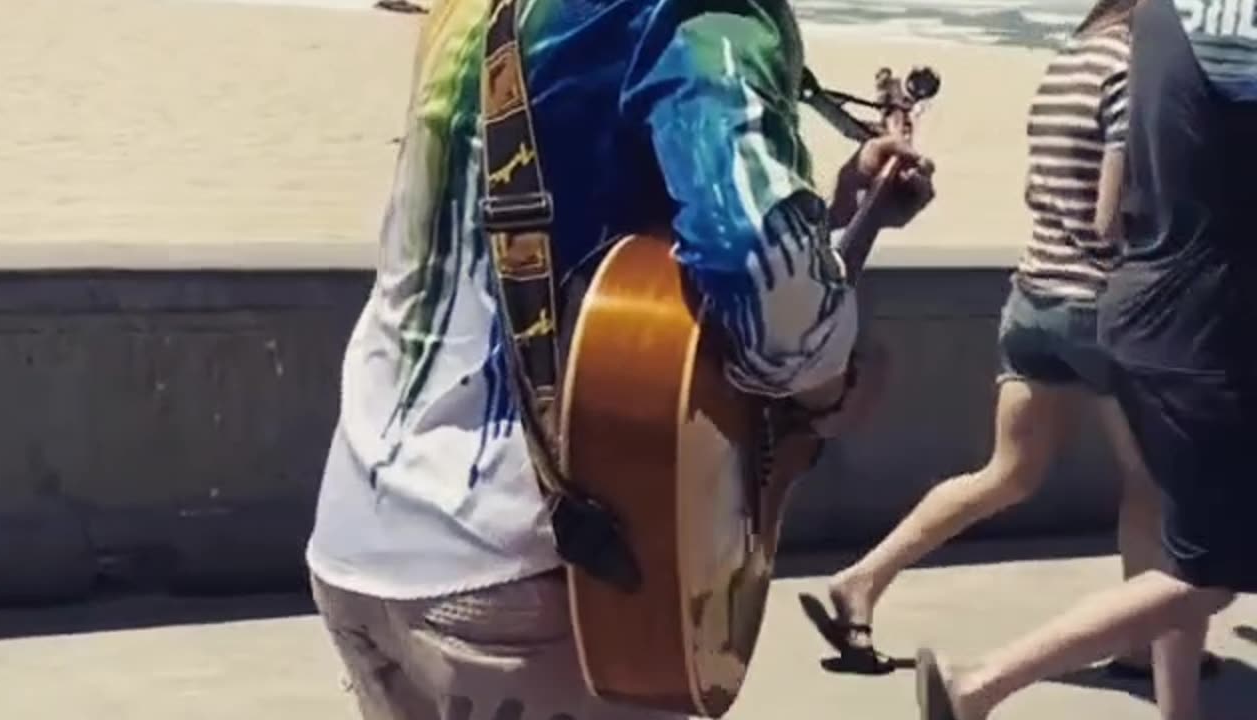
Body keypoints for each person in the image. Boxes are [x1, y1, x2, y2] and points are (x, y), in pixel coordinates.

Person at [301, 0, 936, 717]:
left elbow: (549, 226)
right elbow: (766, 283)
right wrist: (829, 384)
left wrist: (829, 216)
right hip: (533, 565)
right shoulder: (706, 14)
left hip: (363, 523)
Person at [820, 0, 1214, 680]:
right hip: (1102, 309)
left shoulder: (1072, 58)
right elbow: (1110, 214)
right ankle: (1137, 643)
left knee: (1007, 473)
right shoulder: (1134, 65)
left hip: (1033, 299)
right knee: (1155, 485)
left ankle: (862, 579)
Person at [914, 0, 1257, 718]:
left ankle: (1179, 709)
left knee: (1181, 538)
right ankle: (979, 684)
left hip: (1147, 306)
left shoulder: (1165, 18)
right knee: (1212, 570)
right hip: (1205, 324)